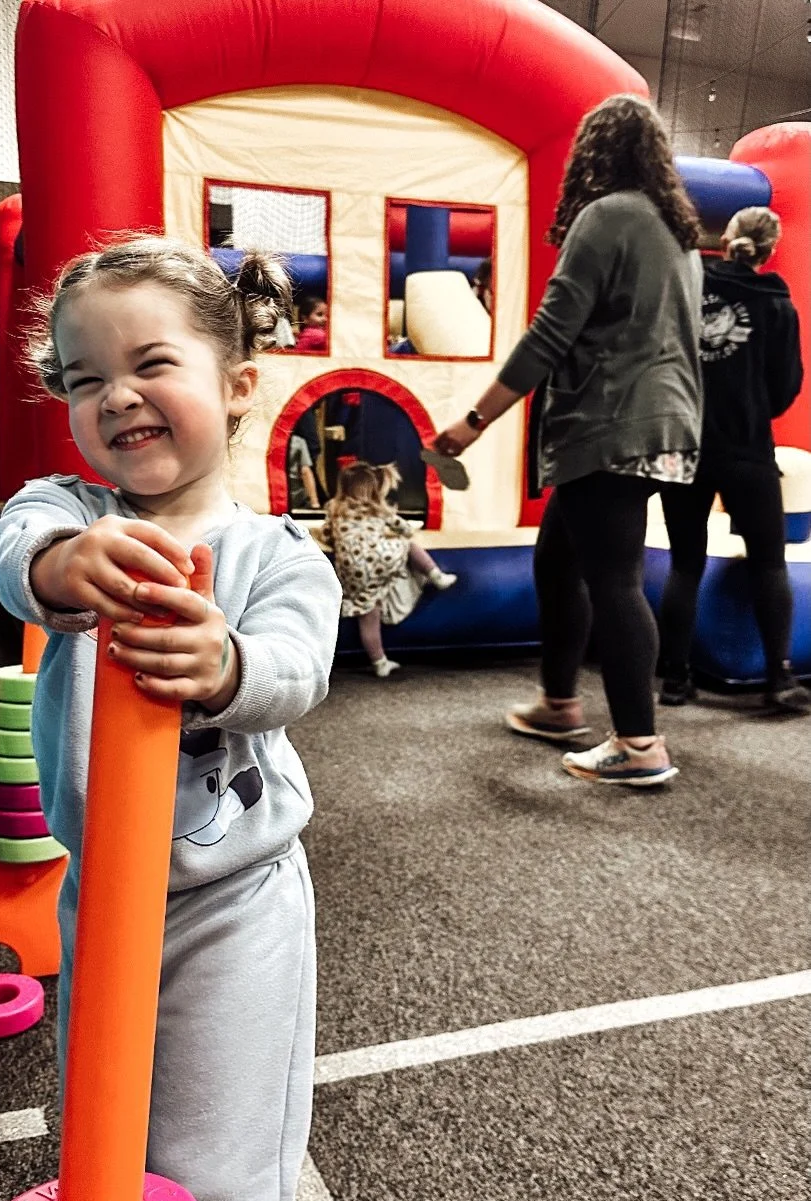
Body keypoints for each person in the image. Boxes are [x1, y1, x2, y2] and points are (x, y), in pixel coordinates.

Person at [0, 235, 342, 1201]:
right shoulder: (70, 512)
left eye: (151, 365)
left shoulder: (277, 554)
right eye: (85, 378)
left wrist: (225, 665)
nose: (117, 396)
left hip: (234, 907)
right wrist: (62, 567)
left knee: (222, 1179)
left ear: (235, 386)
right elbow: (15, 549)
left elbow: (298, 667)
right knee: (107, 1154)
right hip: (101, 898)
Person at [433, 93, 703, 786]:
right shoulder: (674, 230)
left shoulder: (608, 214)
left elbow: (550, 334)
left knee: (614, 580)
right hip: (665, 420)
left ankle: (639, 744)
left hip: (611, 423)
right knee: (558, 562)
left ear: (593, 153)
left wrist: (473, 421)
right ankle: (559, 704)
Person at [658, 207, 809, 713]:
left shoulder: (687, 285)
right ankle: (779, 679)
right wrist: (750, 405)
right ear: (769, 251)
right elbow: (786, 387)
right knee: (769, 561)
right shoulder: (778, 305)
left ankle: (675, 679)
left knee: (685, 561)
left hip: (684, 442)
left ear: (725, 240)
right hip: (746, 448)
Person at [320, 460, 457, 677]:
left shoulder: (334, 508)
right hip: (379, 559)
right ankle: (435, 574)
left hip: (351, 571)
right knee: (408, 545)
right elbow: (406, 530)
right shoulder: (378, 509)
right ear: (373, 489)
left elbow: (327, 534)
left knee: (368, 615)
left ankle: (379, 662)